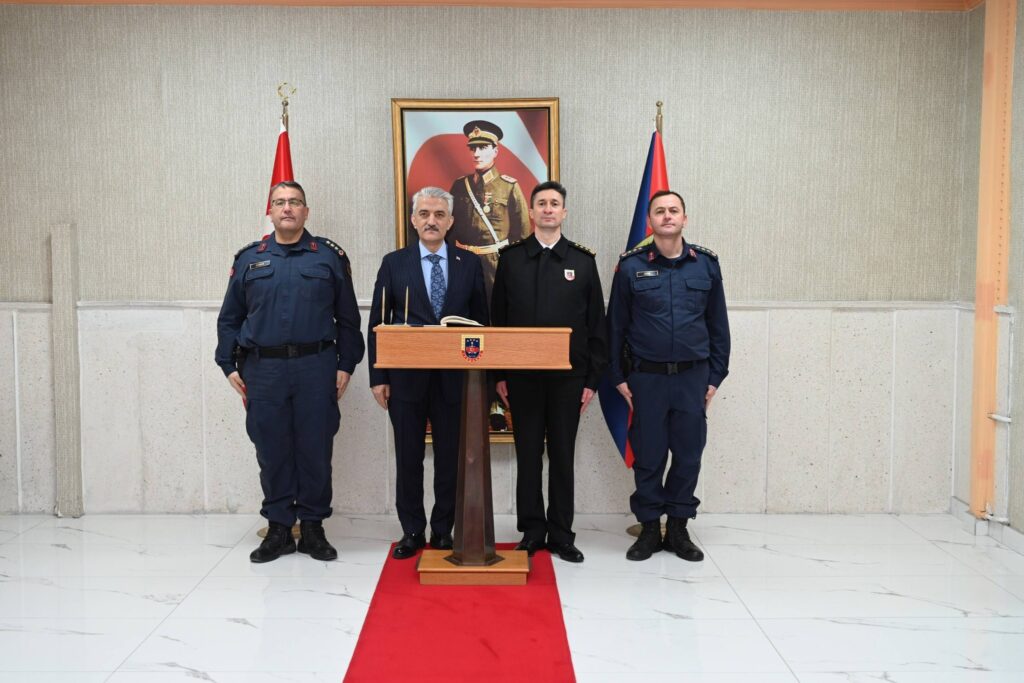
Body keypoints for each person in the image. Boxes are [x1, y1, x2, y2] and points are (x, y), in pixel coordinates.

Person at [215, 181, 364, 563]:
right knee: (272, 449)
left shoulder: (328, 257)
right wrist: (228, 364)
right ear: (270, 211)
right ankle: (279, 529)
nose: (287, 208)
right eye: (280, 202)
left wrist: (346, 365)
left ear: (305, 211)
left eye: (294, 202)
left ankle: (313, 528)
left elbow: (349, 319)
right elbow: (230, 318)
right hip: (263, 370)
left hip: (316, 367)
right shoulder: (249, 259)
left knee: (315, 448)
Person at [606, 190, 730, 562]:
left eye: (674, 210)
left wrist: (715, 377)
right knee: (649, 455)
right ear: (650, 221)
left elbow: (718, 325)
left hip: (693, 378)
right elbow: (616, 327)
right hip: (647, 379)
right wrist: (618, 376)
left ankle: (678, 527)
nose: (667, 216)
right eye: (660, 211)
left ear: (684, 219)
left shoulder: (705, 265)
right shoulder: (631, 267)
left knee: (689, 455)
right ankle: (648, 529)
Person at [367, 187, 489, 560]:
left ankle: (442, 530)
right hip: (405, 378)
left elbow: (482, 323)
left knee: (451, 458)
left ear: (450, 221)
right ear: (413, 220)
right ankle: (411, 530)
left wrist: (483, 376)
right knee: (409, 456)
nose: (431, 221)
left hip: (456, 379)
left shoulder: (469, 264)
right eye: (424, 214)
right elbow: (377, 323)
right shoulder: (394, 263)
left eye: (438, 214)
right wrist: (378, 376)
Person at [490, 180, 608, 563]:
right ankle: (531, 531)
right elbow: (497, 320)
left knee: (561, 455)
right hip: (521, 377)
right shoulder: (511, 259)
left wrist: (591, 381)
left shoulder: (583, 262)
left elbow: (596, 325)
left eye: (554, 203)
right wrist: (499, 375)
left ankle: (561, 534)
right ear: (532, 211)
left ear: (564, 212)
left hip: (568, 379)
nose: (547, 209)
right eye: (541, 203)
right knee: (527, 455)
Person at [449, 119, 533, 432]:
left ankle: (497, 400)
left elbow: (522, 237)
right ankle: (469, 397)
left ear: (496, 151)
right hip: (463, 265)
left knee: (495, 329)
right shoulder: (459, 186)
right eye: (473, 148)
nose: (477, 153)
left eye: (483, 147)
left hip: (496, 267)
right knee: (466, 328)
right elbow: (449, 232)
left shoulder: (509, 187)